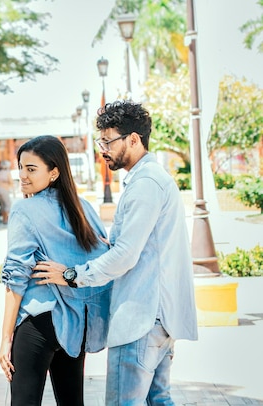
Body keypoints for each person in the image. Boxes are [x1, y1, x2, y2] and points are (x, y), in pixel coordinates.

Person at [35, 100, 198, 405]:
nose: (103, 149)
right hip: (160, 318)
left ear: (133, 140)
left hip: (141, 318)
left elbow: (126, 255)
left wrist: (71, 275)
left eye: (108, 141)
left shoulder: (146, 184)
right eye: (101, 141)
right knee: (160, 400)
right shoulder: (153, 179)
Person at [0, 135, 112, 406]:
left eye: (31, 169)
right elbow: (104, 260)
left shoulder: (25, 210)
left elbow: (16, 277)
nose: (22, 175)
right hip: (74, 323)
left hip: (38, 323)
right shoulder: (84, 208)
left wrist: (5, 338)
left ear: (54, 172)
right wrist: (70, 274)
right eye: (21, 167)